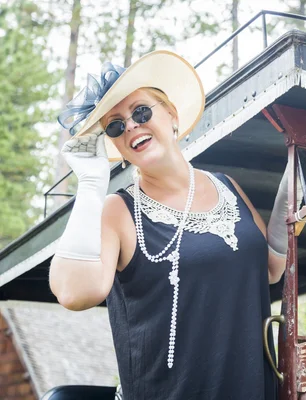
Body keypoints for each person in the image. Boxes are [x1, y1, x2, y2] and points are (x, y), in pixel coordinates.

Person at [49, 50, 287, 400]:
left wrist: (294, 181)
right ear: (114, 142)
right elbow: (73, 293)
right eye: (115, 125)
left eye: (141, 111)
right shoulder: (117, 211)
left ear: (172, 116)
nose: (130, 125)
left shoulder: (228, 185)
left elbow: (271, 268)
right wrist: (90, 184)